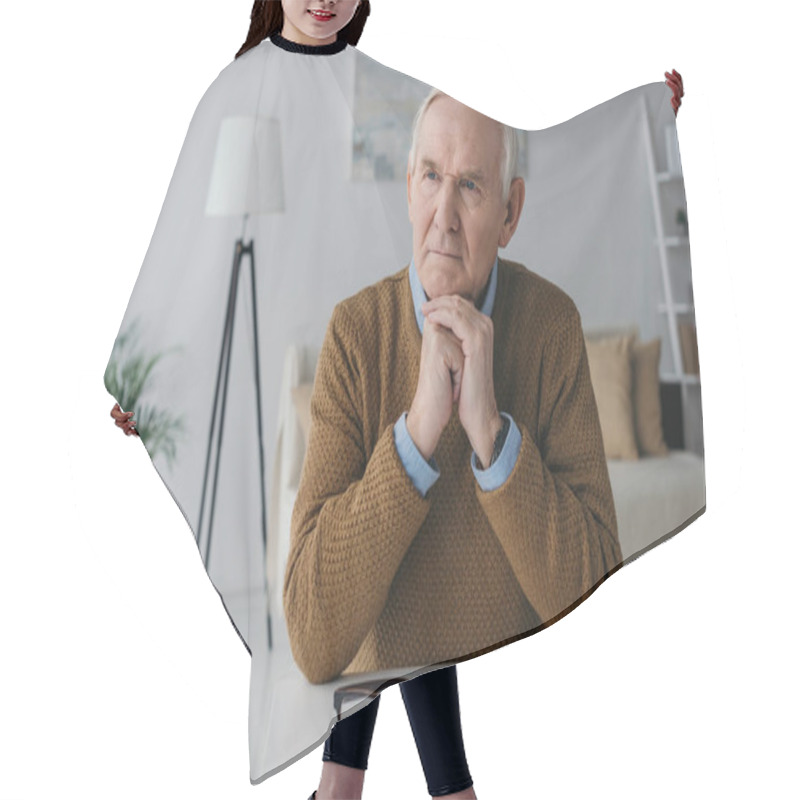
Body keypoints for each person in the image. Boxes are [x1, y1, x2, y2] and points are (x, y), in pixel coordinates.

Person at [108, 4, 686, 800]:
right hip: (323, 339)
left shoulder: (380, 93)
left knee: (403, 562)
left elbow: (479, 136)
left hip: (390, 347)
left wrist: (639, 123)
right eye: (430, 181)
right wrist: (150, 372)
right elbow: (197, 245)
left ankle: (355, 783)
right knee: (368, 560)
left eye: (474, 189)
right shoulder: (244, 97)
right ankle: (421, 786)